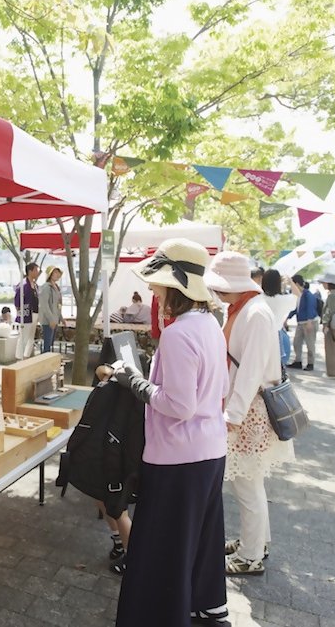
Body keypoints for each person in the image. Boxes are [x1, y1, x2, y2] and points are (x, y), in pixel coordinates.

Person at [100, 238, 230, 627]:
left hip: (177, 459)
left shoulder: (177, 334)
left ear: (174, 288)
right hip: (209, 452)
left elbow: (178, 405)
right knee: (198, 543)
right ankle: (200, 608)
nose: (153, 290)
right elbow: (213, 392)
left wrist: (133, 381)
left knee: (162, 549)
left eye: (157, 284)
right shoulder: (210, 325)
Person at [206, 252, 294, 579]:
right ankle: (256, 542)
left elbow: (251, 372)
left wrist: (233, 416)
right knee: (251, 483)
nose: (216, 294)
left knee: (246, 485)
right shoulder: (245, 309)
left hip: (248, 410)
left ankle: (251, 554)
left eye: (220, 288)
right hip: (247, 408)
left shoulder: (254, 313)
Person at [261, 269, 297, 367]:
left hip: (259, 335)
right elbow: (297, 295)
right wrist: (290, 281)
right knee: (276, 368)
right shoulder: (283, 300)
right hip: (276, 336)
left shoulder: (258, 299)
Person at [286, 274, 318, 371]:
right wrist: (287, 317)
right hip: (300, 322)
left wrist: (309, 321)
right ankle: (298, 361)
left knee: (310, 343)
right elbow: (296, 309)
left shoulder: (308, 295)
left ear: (296, 283)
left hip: (309, 322)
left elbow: (310, 308)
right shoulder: (297, 295)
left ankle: (310, 363)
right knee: (297, 342)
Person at [319, 274, 335, 377]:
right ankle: (334, 371)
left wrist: (326, 325)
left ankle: (333, 372)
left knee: (331, 349)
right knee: (334, 348)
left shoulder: (332, 295)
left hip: (332, 325)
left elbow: (330, 311)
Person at [14, 263, 40, 359]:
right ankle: (19, 357)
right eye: (36, 270)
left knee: (31, 338)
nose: (37, 272)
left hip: (35, 313)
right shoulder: (23, 284)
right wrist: (21, 313)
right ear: (30, 271)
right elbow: (17, 301)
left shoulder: (35, 285)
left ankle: (26, 356)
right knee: (23, 337)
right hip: (26, 314)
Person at [39, 267, 63, 353]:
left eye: (58, 273)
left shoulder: (56, 287)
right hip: (48, 320)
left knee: (51, 343)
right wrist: (51, 319)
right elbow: (44, 305)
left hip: (55, 319)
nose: (57, 275)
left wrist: (61, 317)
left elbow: (58, 305)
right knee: (47, 344)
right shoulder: (46, 287)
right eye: (55, 273)